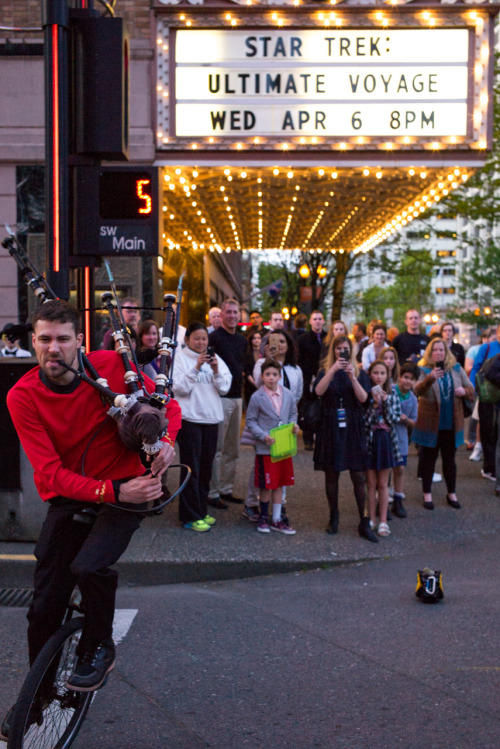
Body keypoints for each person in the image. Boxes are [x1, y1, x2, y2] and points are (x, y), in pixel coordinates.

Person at [1, 300, 180, 737]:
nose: (54, 348)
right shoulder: (22, 396)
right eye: (44, 339)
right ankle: (38, 698)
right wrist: (110, 490)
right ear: (33, 343)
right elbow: (49, 474)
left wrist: (168, 441)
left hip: (128, 485)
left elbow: (165, 405)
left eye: (63, 339)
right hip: (77, 491)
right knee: (43, 604)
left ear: (78, 342)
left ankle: (98, 644)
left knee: (89, 564)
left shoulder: (108, 366)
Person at [313, 334, 378, 543]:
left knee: (358, 475)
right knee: (332, 474)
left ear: (351, 351)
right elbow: (318, 392)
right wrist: (332, 370)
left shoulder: (359, 372)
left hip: (353, 424)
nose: (342, 352)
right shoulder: (325, 370)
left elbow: (364, 399)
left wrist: (351, 376)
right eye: (338, 348)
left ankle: (364, 520)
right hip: (331, 424)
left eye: (345, 349)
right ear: (333, 351)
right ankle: (334, 515)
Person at [172, 322, 232, 531]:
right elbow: (179, 388)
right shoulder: (179, 358)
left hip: (211, 419)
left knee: (206, 468)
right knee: (191, 469)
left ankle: (201, 511)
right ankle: (189, 516)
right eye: (196, 338)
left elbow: (225, 387)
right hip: (190, 420)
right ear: (187, 339)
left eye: (204, 339)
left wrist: (215, 370)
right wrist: (196, 367)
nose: (201, 342)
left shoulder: (215, 360)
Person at [412, 337, 474, 509]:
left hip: (451, 423)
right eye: (435, 350)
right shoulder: (423, 369)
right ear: (430, 353)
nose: (438, 352)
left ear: (446, 353)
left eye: (441, 350)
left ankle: (451, 493)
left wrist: (464, 390)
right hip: (430, 423)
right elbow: (416, 390)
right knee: (428, 460)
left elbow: (471, 389)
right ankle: (427, 494)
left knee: (450, 461)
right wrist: (429, 378)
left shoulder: (455, 368)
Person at [244, 358, 299, 535]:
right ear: (262, 376)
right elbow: (251, 420)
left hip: (283, 446)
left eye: (275, 374)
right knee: (266, 484)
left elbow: (292, 414)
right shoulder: (257, 397)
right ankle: (263, 517)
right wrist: (263, 435)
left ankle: (276, 518)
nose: (271, 378)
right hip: (265, 447)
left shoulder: (288, 395)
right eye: (267, 374)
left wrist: (294, 426)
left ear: (280, 376)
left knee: (280, 483)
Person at [208, 299, 248, 508]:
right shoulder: (213, 338)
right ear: (221, 315)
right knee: (218, 448)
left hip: (237, 398)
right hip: (219, 399)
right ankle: (213, 492)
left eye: (235, 312)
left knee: (233, 449)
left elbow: (246, 367)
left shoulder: (242, 340)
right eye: (229, 312)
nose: (232, 316)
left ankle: (226, 489)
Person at [364, 361, 402, 537]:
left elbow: (394, 419)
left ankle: (384, 520)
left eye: (382, 373)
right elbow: (364, 423)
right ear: (370, 374)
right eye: (376, 373)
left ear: (387, 375)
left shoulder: (393, 394)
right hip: (370, 439)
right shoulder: (366, 395)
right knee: (370, 483)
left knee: (383, 484)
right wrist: (373, 405)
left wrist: (385, 403)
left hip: (385, 440)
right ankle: (371, 518)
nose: (379, 376)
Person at [470, 322, 500, 482]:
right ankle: (489, 469)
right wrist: (472, 389)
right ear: (498, 332)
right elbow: (476, 369)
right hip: (487, 397)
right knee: (488, 433)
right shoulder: (487, 348)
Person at [391, 363, 419, 519]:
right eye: (405, 377)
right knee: (385, 468)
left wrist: (406, 419)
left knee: (399, 468)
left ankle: (398, 498)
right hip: (388, 432)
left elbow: (414, 421)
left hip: (401, 435)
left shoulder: (413, 399)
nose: (408, 381)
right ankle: (383, 497)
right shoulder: (391, 390)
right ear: (400, 377)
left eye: (412, 379)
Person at [297, 310, 326, 450]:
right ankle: (308, 438)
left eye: (320, 319)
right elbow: (299, 359)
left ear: (324, 321)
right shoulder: (303, 339)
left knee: (323, 407)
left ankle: (321, 438)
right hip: (308, 377)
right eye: (315, 319)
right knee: (308, 407)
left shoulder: (328, 338)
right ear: (310, 321)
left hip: (324, 376)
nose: (318, 321)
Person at [253, 330, 303, 405]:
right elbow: (259, 384)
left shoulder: (295, 368)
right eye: (275, 342)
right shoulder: (261, 363)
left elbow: (298, 393)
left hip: (289, 410)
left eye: (282, 342)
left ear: (288, 345)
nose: (279, 345)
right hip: (267, 408)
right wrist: (268, 361)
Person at [243, 329, 262, 408]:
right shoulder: (247, 353)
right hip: (250, 385)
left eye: (259, 338)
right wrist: (254, 383)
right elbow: (246, 371)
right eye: (254, 338)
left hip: (263, 385)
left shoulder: (264, 352)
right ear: (250, 340)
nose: (257, 340)